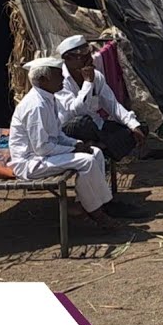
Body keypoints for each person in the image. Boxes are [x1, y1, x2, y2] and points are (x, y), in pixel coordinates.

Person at [10, 57, 121, 231]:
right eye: (58, 76)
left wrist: (76, 143)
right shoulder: (36, 106)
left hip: (45, 155)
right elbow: (42, 147)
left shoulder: (49, 99)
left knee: (95, 153)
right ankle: (98, 213)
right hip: (31, 162)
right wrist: (73, 148)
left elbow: (57, 134)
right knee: (86, 161)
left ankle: (83, 206)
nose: (63, 79)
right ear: (43, 80)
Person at [55, 35, 147, 162]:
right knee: (82, 122)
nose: (89, 60)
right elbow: (76, 111)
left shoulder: (96, 76)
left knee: (140, 128)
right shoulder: (59, 81)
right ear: (67, 59)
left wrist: (133, 125)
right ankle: (105, 148)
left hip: (96, 127)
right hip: (70, 128)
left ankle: (101, 147)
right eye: (83, 57)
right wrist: (88, 83)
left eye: (89, 55)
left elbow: (113, 105)